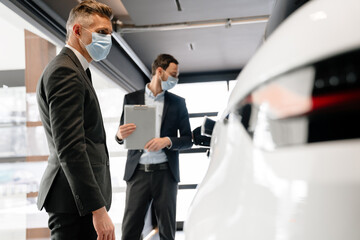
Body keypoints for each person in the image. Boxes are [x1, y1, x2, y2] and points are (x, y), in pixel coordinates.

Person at [36, 1, 115, 239]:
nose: (108, 40)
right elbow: (70, 147)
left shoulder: (77, 70)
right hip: (73, 202)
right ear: (78, 31)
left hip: (76, 200)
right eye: (102, 32)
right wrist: (98, 209)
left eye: (110, 34)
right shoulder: (65, 72)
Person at [115, 54, 193, 240]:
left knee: (167, 231)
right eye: (173, 74)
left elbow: (188, 140)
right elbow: (120, 135)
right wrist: (119, 135)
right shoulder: (131, 98)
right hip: (138, 174)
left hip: (166, 174)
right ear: (160, 71)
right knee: (130, 230)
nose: (176, 79)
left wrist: (167, 140)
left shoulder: (178, 103)